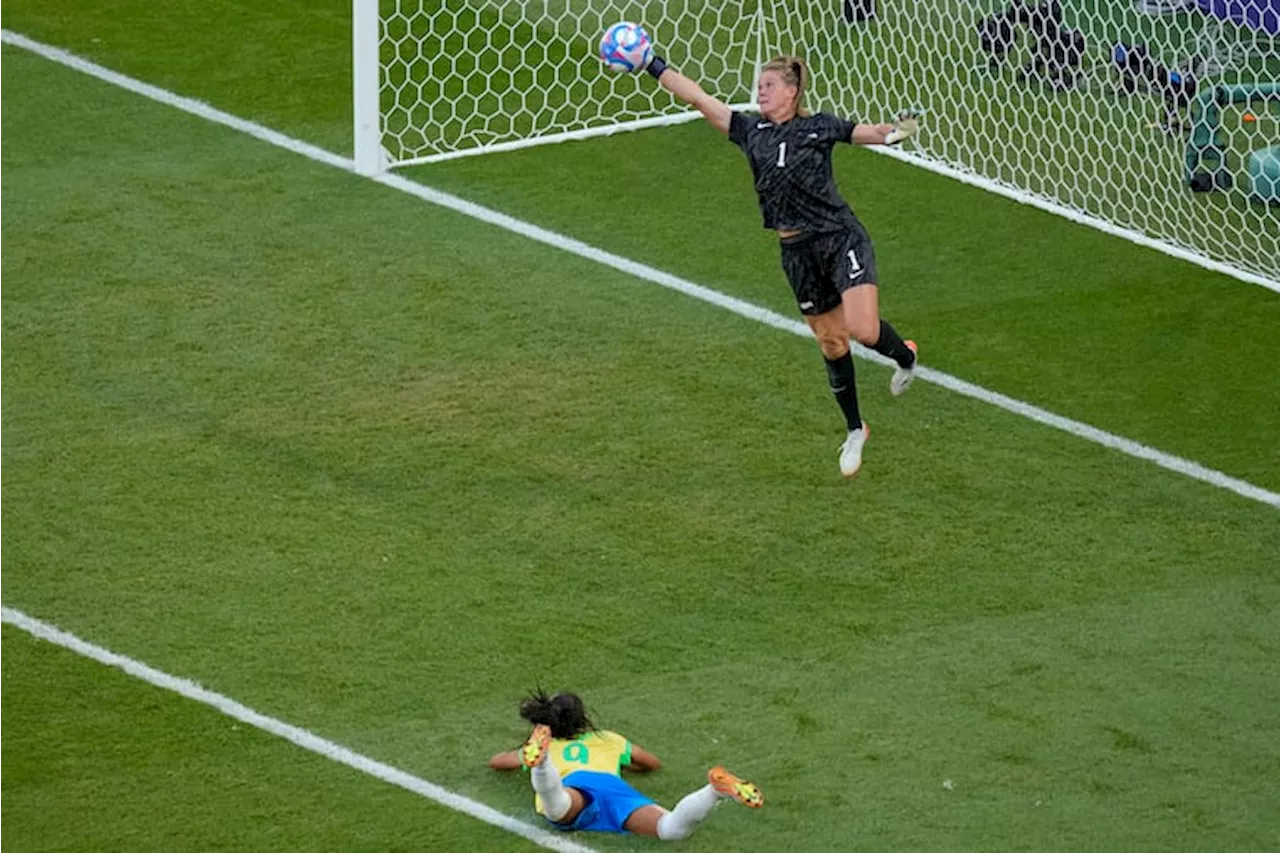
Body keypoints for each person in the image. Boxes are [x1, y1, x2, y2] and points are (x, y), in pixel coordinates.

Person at [640, 50, 921, 478]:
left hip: (839, 237)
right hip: (796, 254)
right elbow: (700, 99)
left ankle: (905, 357)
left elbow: (872, 133)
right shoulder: (751, 132)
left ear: (792, 92)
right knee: (831, 343)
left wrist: (899, 129)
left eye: (768, 86)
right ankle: (854, 428)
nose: (760, 93)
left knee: (863, 330)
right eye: (759, 87)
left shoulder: (818, 127)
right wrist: (652, 64)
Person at [488, 690, 762, 839]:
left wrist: (528, 754)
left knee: (557, 805)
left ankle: (543, 762)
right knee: (669, 829)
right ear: (583, 720)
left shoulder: (548, 744)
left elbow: (497, 762)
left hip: (574, 784)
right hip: (612, 786)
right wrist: (626, 763)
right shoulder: (608, 739)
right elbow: (652, 763)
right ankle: (714, 790)